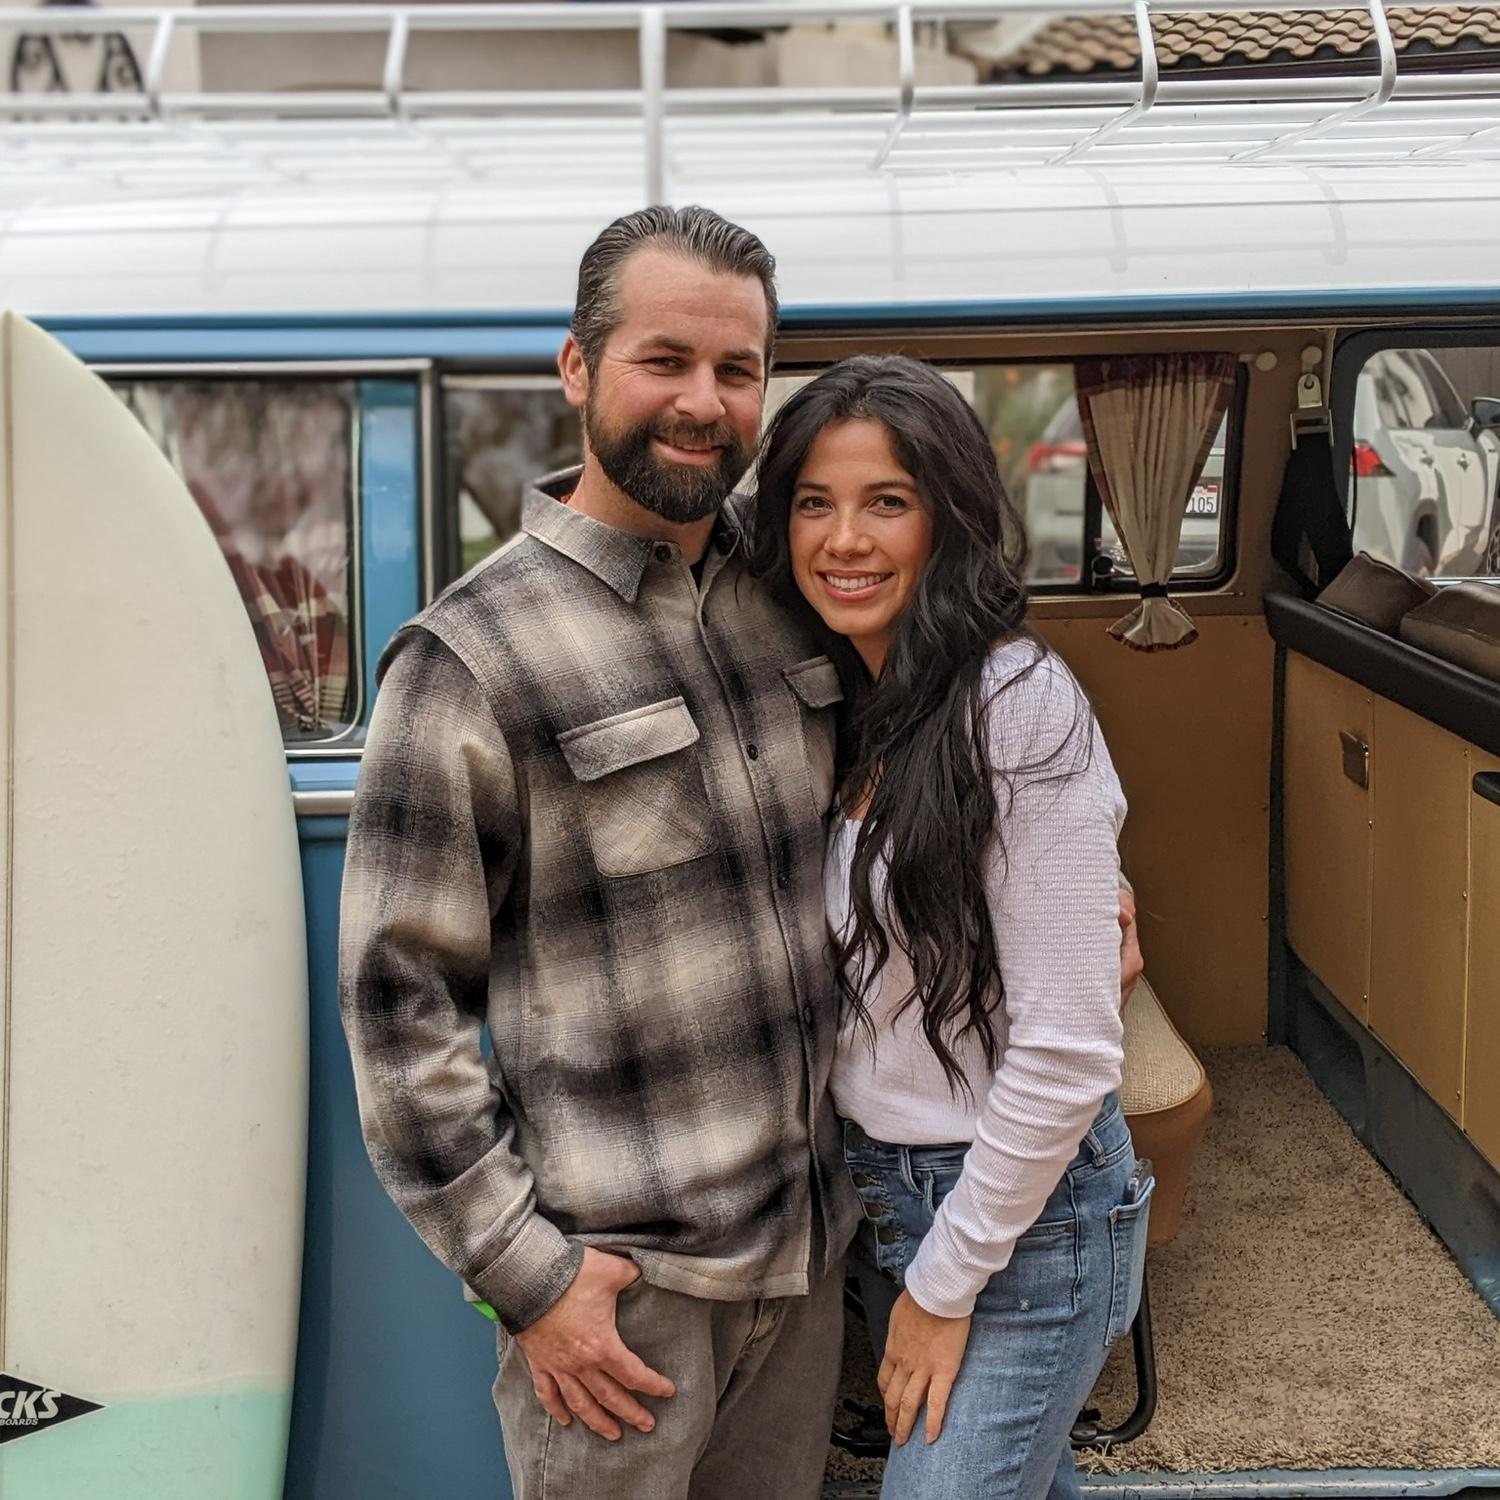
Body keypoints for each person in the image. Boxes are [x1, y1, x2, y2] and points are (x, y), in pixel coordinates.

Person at [340, 207, 1142, 1500]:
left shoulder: (792, 599)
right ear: (577, 367)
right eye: (664, 360)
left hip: (818, 1255)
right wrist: (526, 1277)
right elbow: (398, 1014)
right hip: (626, 1297)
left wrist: (1072, 910)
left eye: (737, 369)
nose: (702, 401)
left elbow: (934, 803)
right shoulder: (471, 659)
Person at [749, 354, 1152, 1500]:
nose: (845, 539)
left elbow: (1068, 1054)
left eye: (887, 501)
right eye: (814, 503)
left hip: (1023, 1226)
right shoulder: (853, 700)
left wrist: (940, 1288)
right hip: (893, 1198)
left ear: (951, 516)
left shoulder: (1016, 701)